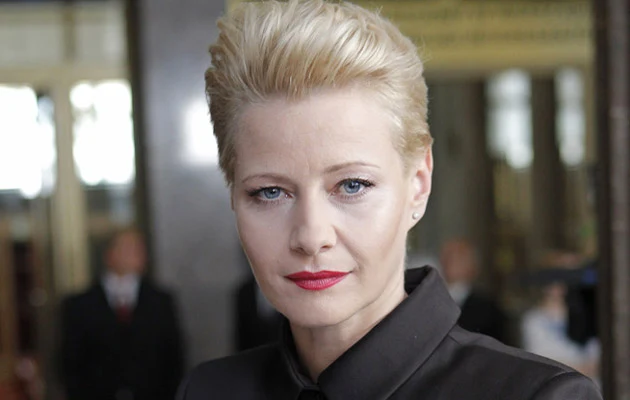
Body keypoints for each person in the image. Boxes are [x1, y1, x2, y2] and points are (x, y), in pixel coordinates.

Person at [177, 1, 602, 398]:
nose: (311, 236)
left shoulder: (538, 395)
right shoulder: (208, 390)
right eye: (270, 192)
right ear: (233, 195)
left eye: (352, 185)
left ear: (418, 184)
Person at [60, 227, 184, 400]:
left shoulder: (161, 301)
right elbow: (69, 363)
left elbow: (174, 357)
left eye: (139, 248)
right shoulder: (79, 305)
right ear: (109, 254)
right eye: (127, 248)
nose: (135, 254)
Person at [440, 239, 506, 342]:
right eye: (447, 256)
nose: (450, 262)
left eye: (459, 257)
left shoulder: (488, 308)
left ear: (473, 265)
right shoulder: (431, 301)